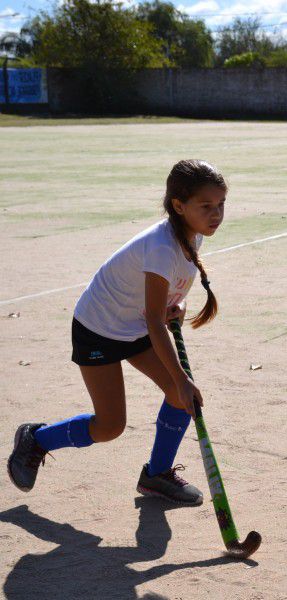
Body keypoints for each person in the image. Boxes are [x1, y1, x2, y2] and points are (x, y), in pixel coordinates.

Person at [7, 160, 227, 506]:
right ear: (179, 206)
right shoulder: (160, 246)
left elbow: (160, 306)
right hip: (99, 329)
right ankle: (37, 439)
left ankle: (156, 475)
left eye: (220, 204)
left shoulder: (193, 232)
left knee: (180, 398)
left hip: (135, 325)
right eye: (206, 206)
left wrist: (177, 306)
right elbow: (155, 321)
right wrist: (182, 377)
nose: (216, 214)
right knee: (110, 426)